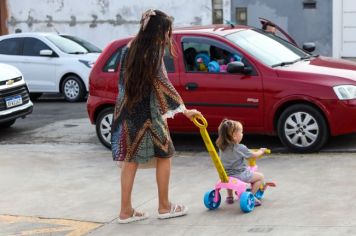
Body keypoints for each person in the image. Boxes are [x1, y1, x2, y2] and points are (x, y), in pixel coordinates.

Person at [111, 9, 201, 224]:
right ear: (159, 30)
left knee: (130, 159)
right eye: (167, 30)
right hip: (147, 115)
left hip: (126, 112)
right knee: (165, 155)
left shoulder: (130, 48)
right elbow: (162, 83)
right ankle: (164, 206)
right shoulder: (153, 51)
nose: (169, 34)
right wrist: (184, 110)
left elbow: (124, 83)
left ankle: (126, 210)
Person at [215, 119, 276, 206]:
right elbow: (254, 155)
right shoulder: (240, 148)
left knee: (229, 175)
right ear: (234, 136)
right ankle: (251, 195)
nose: (242, 134)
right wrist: (261, 151)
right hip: (239, 175)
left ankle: (230, 196)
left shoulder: (221, 147)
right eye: (241, 132)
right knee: (260, 177)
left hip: (226, 174)